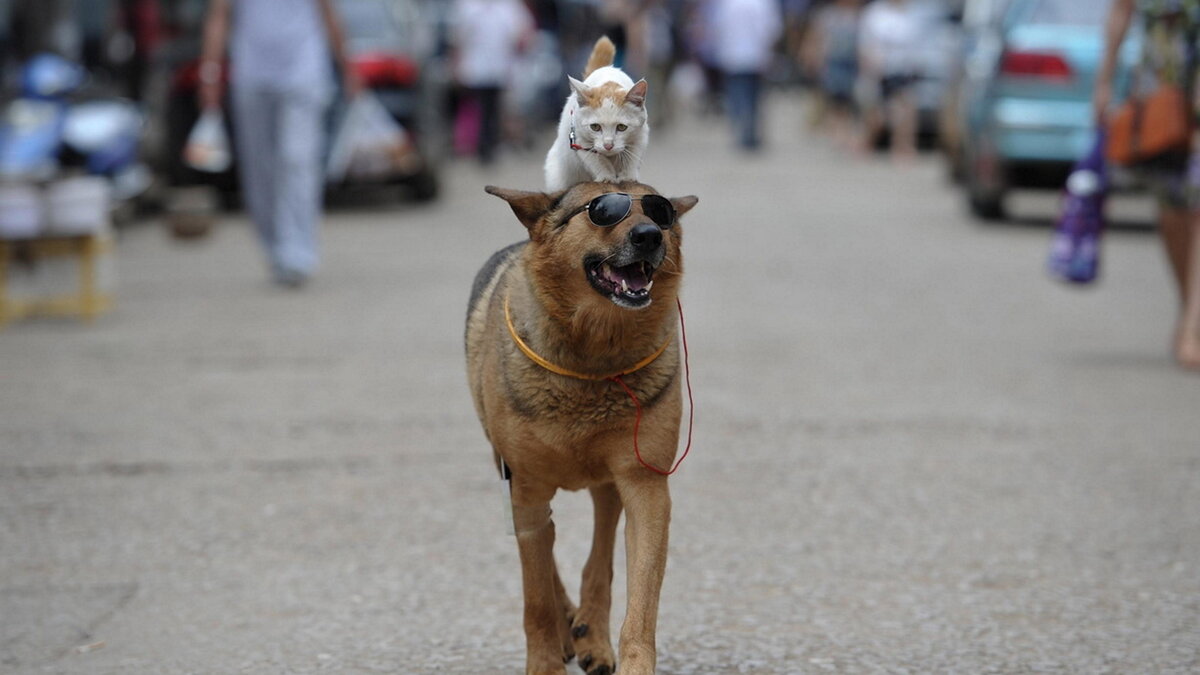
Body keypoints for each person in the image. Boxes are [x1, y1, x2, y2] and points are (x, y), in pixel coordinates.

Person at [199, 0, 361, 287]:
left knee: (297, 159)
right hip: (252, 75)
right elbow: (219, 15)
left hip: (303, 71)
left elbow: (328, 12)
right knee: (260, 169)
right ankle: (274, 248)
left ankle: (298, 252)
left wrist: (347, 66)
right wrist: (210, 72)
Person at [1096, 0, 1200, 369]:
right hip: (1163, 87)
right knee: (1173, 209)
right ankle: (1188, 306)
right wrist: (1104, 81)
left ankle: (1193, 328)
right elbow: (1121, 10)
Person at [449, 0, 535, 165]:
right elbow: (458, 38)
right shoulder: (466, 6)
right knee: (477, 109)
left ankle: (490, 146)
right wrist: (456, 64)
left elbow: (523, 34)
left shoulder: (508, 7)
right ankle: (477, 146)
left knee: (493, 110)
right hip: (474, 68)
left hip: (499, 68)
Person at [709, 0, 784, 151]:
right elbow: (772, 29)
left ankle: (740, 129)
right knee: (753, 97)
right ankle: (749, 133)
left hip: (733, 56)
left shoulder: (726, 4)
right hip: (755, 55)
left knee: (737, 96)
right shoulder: (763, 3)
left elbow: (717, 27)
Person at [857, 0, 924, 159]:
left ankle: (902, 147)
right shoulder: (875, 12)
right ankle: (867, 143)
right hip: (879, 70)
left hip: (903, 70)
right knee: (877, 112)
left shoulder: (914, 13)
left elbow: (918, 43)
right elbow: (865, 42)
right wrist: (868, 67)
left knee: (906, 111)